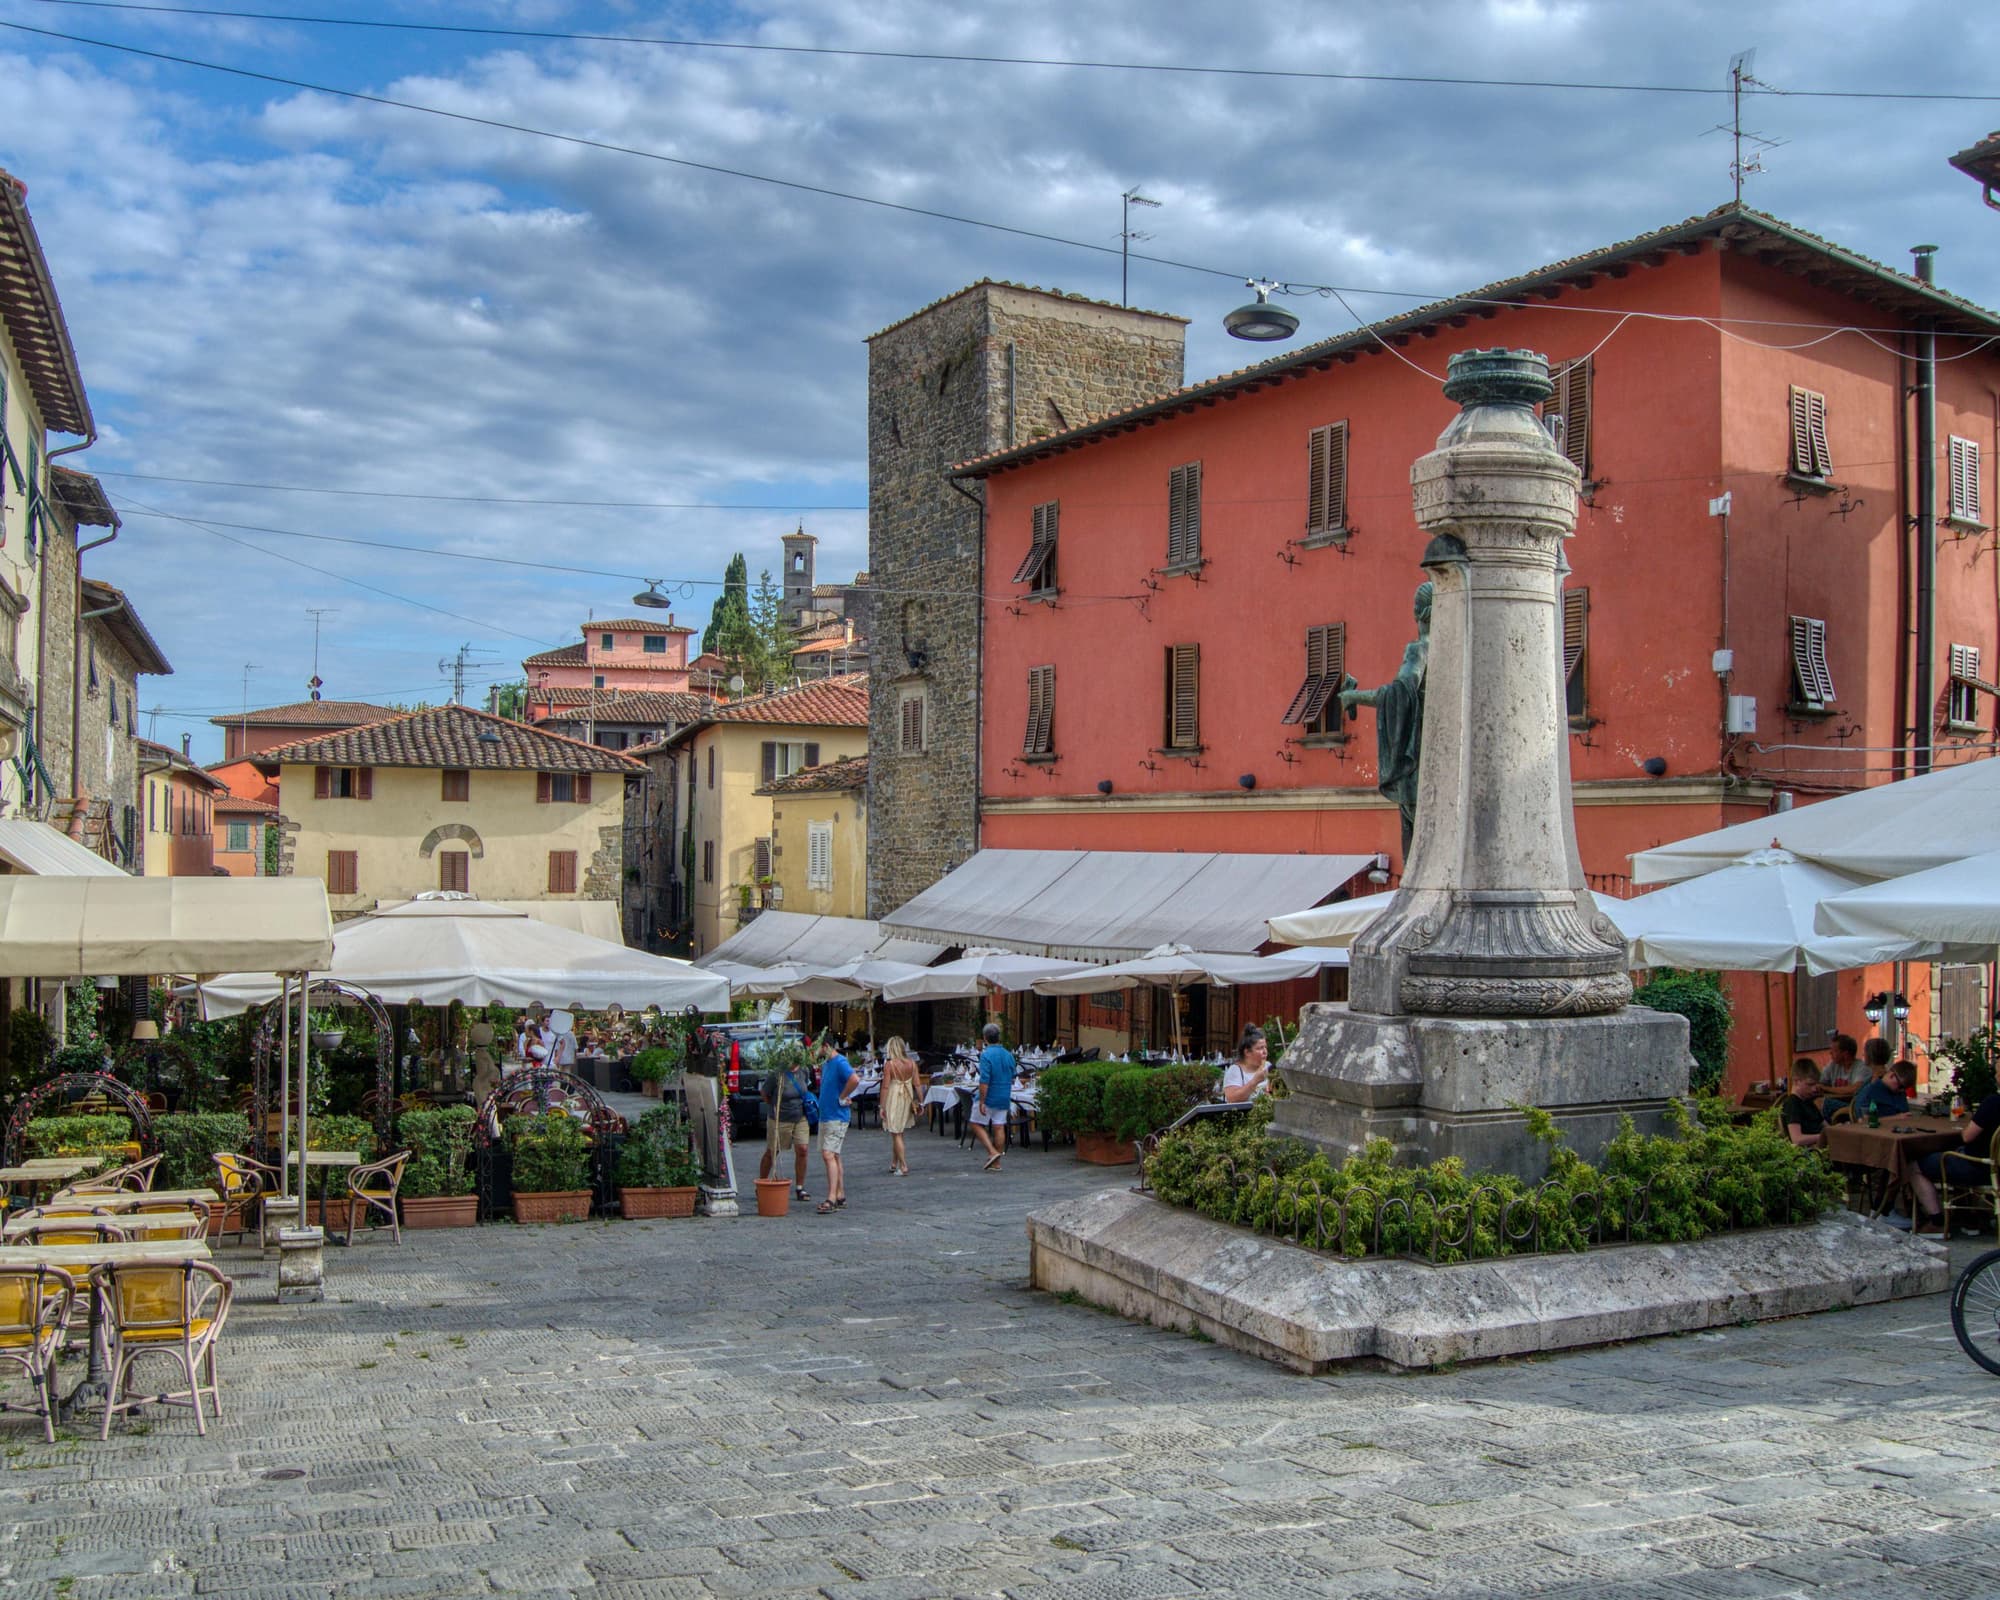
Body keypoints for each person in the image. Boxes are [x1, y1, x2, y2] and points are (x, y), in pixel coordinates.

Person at [1905, 1087, 2000, 1236]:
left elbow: (1967, 1136)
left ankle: (1937, 1223)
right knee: (1955, 1155)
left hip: (1979, 1168)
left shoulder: (1993, 1102)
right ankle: (1968, 1217)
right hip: (1994, 1169)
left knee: (1913, 1165)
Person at [759, 1051, 812, 1201]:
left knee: (803, 1149)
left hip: (800, 1116)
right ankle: (762, 1183)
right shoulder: (777, 1073)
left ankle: (800, 1188)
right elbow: (764, 1093)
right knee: (772, 1151)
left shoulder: (804, 1070)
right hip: (780, 1118)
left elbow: (806, 1088)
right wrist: (774, 1107)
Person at [815, 1039, 858, 1214]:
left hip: (836, 1116)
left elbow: (854, 1079)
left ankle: (831, 1198)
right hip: (827, 1115)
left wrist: (842, 1096)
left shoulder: (840, 1062)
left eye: (816, 1047)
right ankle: (840, 1195)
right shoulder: (827, 1063)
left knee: (828, 1154)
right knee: (834, 1155)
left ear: (825, 1046)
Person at [971, 1022, 1015, 1172]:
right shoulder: (1008, 1055)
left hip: (990, 1095)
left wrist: (982, 1100)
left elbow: (984, 1080)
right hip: (1004, 1094)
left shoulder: (986, 1055)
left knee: (975, 1123)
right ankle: (996, 1163)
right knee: (999, 1126)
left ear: (985, 1038)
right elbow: (1013, 1075)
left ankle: (992, 1151)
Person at [879, 1036, 920, 1177]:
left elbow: (885, 1087)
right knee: (898, 1132)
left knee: (896, 1132)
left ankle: (903, 1165)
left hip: (894, 1098)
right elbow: (917, 1084)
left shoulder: (890, 1065)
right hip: (907, 1097)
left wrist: (882, 1106)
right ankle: (894, 1162)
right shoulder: (912, 1063)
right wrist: (921, 1102)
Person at [1779, 1061, 1828, 1149]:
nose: (1814, 1089)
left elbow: (1826, 1126)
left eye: (1816, 1084)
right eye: (1810, 1084)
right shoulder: (1792, 1104)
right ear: (1796, 1081)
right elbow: (1797, 1139)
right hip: (1810, 1151)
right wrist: (1823, 1136)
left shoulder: (1808, 1101)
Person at [1222, 1026, 1273, 1103]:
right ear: (1247, 1052)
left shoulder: (1268, 1066)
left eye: (1265, 1047)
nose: (1265, 1051)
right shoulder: (1235, 1071)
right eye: (1260, 1048)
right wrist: (1255, 1081)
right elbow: (1232, 1099)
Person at [1822, 1033, 1866, 1114]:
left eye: (1834, 1051)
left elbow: (1854, 1089)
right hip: (1836, 1103)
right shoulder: (1833, 1065)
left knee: (1822, 1103)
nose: (1830, 1053)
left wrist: (1825, 1088)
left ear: (1845, 1054)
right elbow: (1820, 1082)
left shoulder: (1861, 1067)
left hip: (1852, 1107)